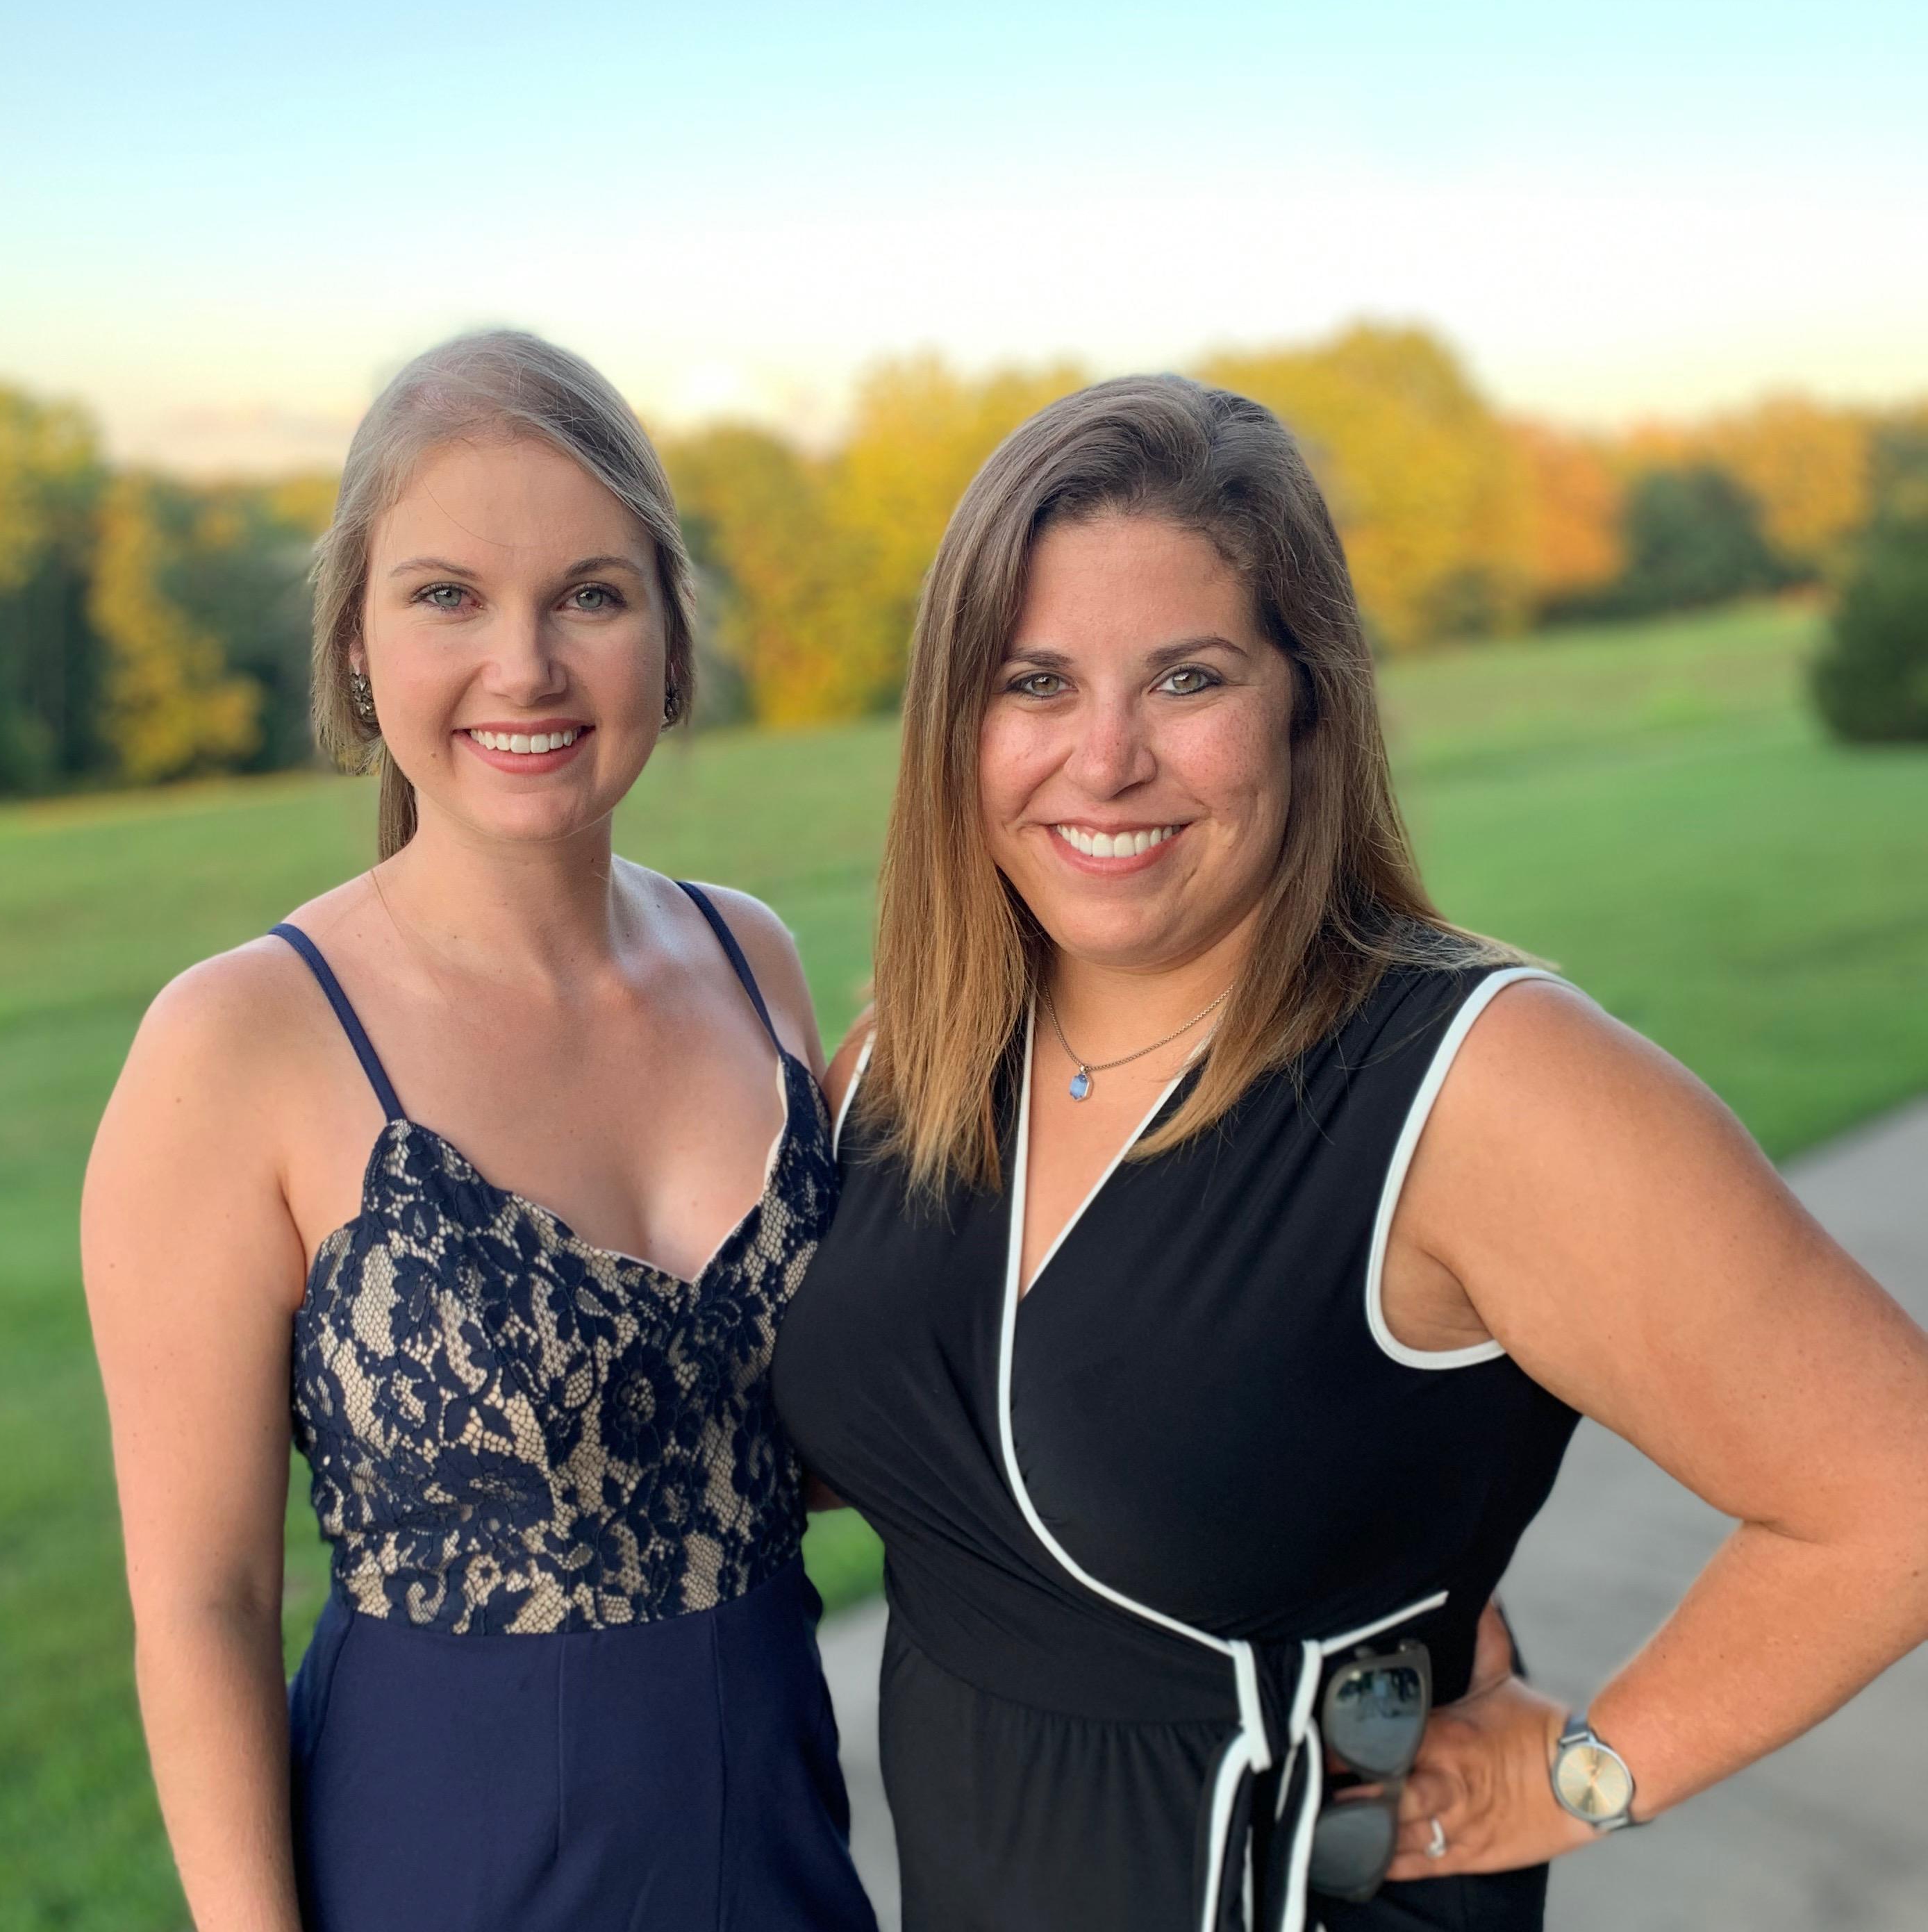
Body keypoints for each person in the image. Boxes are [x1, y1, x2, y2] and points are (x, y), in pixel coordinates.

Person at [772, 374, 1928, 1932]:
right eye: (1034, 682)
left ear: (1307, 705)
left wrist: (1586, 1776)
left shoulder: (1479, 1082)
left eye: (1187, 680)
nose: (1103, 760)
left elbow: (1896, 1489)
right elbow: (927, 1445)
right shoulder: (910, 1058)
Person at [83, 330, 875, 1932]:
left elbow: (804, 1441)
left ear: (669, 642)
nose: (525, 667)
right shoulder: (237, 1043)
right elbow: (204, 1605)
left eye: (591, 596)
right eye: (448, 596)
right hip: (447, 1872)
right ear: (357, 646)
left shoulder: (756, 962)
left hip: (782, 1866)